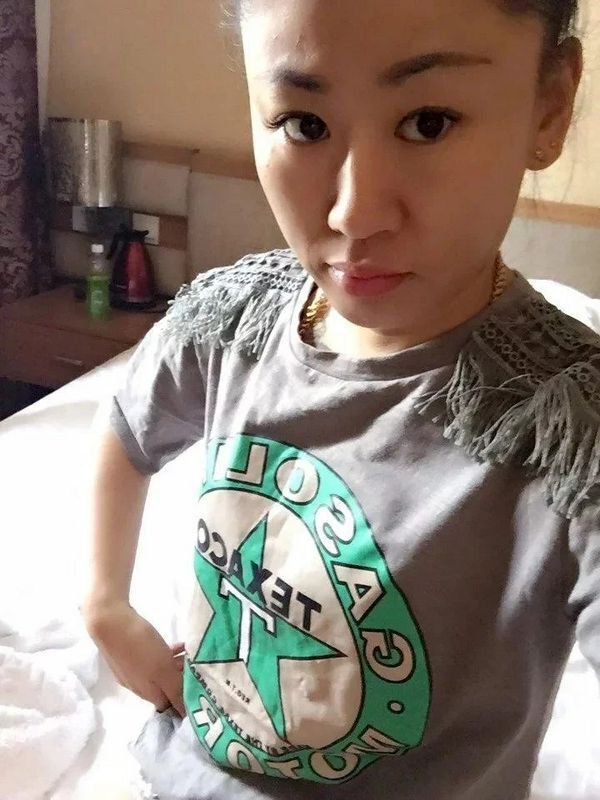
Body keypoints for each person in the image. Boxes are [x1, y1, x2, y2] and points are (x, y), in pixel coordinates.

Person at [82, 1, 599, 798]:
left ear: (550, 106)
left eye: (428, 123)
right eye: (305, 125)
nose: (352, 214)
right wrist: (105, 605)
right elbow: (126, 425)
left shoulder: (565, 427)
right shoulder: (235, 319)